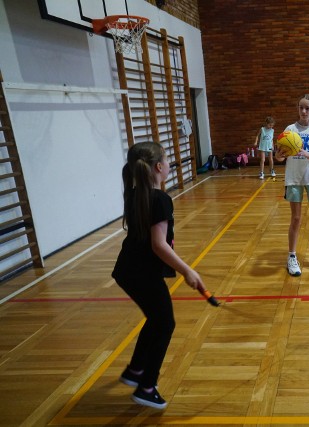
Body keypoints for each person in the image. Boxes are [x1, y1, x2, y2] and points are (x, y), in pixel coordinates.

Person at [112, 142, 207, 410]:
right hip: (142, 272)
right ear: (158, 167)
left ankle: (135, 371)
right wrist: (187, 270)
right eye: (166, 160)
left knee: (157, 319)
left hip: (127, 270)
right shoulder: (159, 199)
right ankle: (147, 387)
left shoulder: (134, 192)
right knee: (165, 323)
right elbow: (159, 245)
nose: (168, 164)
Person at [275, 94, 309, 276]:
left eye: (307, 108)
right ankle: (291, 256)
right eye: (301, 108)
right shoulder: (289, 130)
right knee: (296, 219)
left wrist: (302, 152)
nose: (304, 111)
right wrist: (278, 156)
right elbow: (280, 157)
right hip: (294, 179)